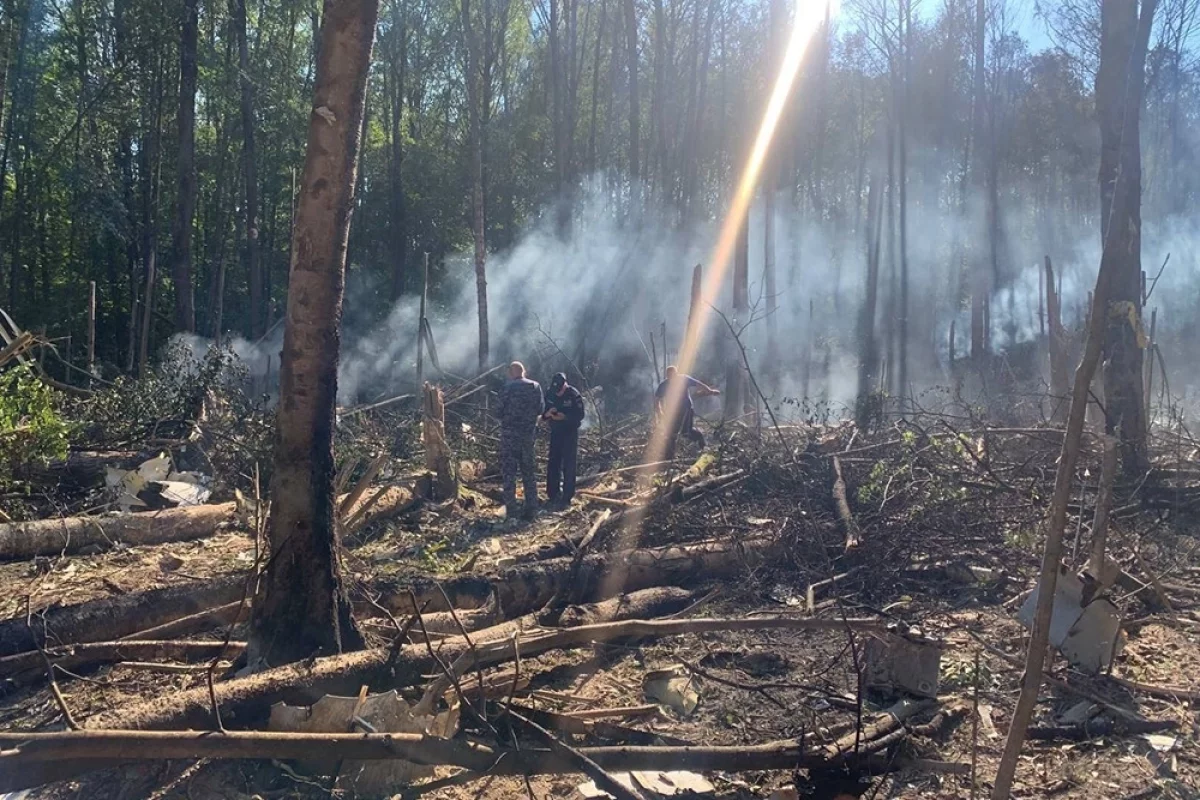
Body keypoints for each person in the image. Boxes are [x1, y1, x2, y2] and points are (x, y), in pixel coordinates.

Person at [497, 361, 543, 520]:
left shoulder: (508, 388)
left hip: (510, 437)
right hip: (527, 436)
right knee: (528, 472)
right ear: (523, 371)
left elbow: (498, 411)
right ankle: (532, 509)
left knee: (509, 474)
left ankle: (512, 511)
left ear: (511, 372)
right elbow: (541, 410)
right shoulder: (535, 387)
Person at [654, 365, 719, 459]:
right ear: (667, 376)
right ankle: (668, 457)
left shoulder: (683, 379)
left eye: (673, 375)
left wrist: (710, 391)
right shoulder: (664, 385)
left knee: (685, 432)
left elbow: (698, 384)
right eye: (669, 376)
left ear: (677, 374)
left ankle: (703, 444)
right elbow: (657, 400)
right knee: (671, 433)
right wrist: (659, 412)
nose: (672, 378)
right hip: (673, 412)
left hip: (686, 408)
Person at [542, 372, 584, 509]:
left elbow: (580, 415)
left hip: (569, 433)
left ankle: (567, 496)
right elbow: (542, 413)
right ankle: (553, 494)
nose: (558, 393)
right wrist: (548, 414)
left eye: (560, 390)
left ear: (565, 384)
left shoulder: (573, 394)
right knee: (553, 462)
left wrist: (565, 417)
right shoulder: (550, 393)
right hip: (555, 432)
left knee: (569, 464)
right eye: (556, 390)